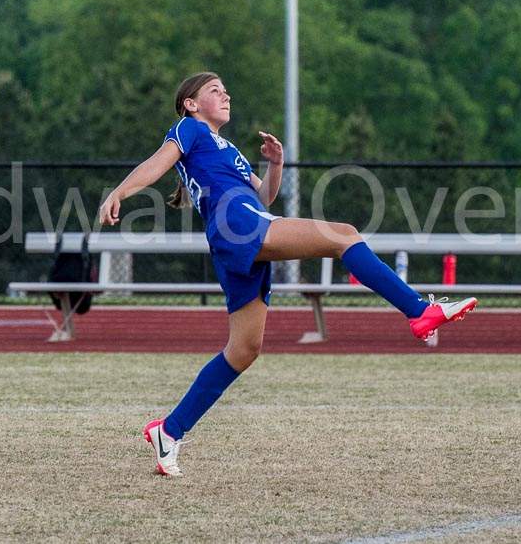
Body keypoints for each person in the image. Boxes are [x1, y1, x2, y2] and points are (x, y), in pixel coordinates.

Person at [97, 72, 477, 477]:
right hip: (238, 226)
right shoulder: (189, 128)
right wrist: (119, 191)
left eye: (226, 89)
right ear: (190, 104)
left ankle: (169, 432)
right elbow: (157, 163)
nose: (225, 94)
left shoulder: (227, 148)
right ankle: (419, 310)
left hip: (239, 230)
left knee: (243, 350)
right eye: (214, 90)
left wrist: (274, 164)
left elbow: (264, 197)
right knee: (344, 235)